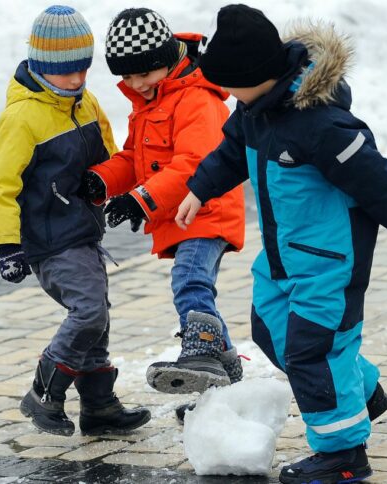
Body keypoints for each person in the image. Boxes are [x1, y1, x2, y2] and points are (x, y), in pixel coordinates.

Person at [175, 5, 387, 483]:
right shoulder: (253, 110)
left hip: (330, 263)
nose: (226, 94)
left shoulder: (319, 124)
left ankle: (343, 454)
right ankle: (362, 391)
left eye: (229, 84)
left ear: (255, 75)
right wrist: (200, 188)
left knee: (314, 351)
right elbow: (230, 153)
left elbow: (378, 178)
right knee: (270, 329)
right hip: (283, 257)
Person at [0, 5, 150, 437]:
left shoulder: (86, 102)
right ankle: (44, 391)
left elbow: (110, 158)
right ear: (41, 65)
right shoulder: (21, 117)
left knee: (99, 319)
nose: (76, 79)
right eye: (65, 71)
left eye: (83, 68)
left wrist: (119, 190)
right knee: (89, 313)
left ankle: (99, 407)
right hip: (49, 240)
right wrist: (7, 246)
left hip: (83, 230)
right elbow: (1, 185)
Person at [78, 8, 246, 403]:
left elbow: (194, 163)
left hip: (207, 209)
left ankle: (201, 354)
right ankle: (225, 376)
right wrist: (103, 180)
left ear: (167, 61)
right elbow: (135, 156)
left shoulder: (196, 99)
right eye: (127, 77)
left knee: (190, 281)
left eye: (145, 74)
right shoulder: (150, 102)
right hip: (181, 213)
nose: (136, 84)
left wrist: (142, 201)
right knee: (194, 284)